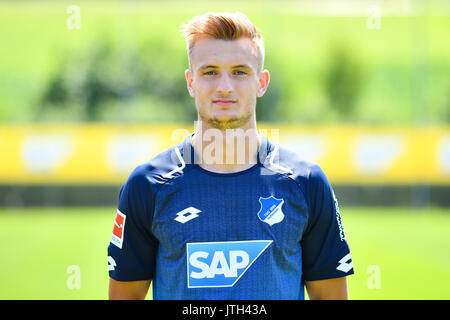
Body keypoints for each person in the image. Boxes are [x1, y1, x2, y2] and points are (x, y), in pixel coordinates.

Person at [107, 11, 353, 300]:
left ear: (261, 82)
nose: (225, 86)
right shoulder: (148, 185)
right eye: (210, 71)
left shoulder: (306, 182)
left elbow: (330, 295)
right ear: (190, 82)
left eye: (239, 71)